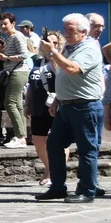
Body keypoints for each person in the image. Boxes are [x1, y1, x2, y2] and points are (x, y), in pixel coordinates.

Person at [37, 14, 104, 203]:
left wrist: (52, 52)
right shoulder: (69, 47)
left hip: (85, 106)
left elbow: (72, 69)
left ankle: (88, 190)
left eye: (71, 30)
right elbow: (62, 74)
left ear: (83, 32)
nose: (66, 33)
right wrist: (57, 98)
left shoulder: (89, 48)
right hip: (66, 105)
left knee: (86, 149)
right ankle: (58, 187)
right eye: (65, 29)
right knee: (54, 144)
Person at [27, 31, 64, 186]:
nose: (51, 44)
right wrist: (27, 104)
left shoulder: (60, 59)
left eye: (55, 42)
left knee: (58, 141)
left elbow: (62, 77)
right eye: (48, 42)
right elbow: (31, 84)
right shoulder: (37, 61)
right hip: (38, 106)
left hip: (56, 106)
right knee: (38, 141)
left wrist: (53, 54)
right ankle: (49, 168)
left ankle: (54, 173)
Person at [0, 13, 32, 148]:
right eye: (1, 24)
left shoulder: (17, 36)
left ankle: (20, 136)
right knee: (17, 104)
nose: (3, 26)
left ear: (13, 24)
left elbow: (24, 55)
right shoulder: (9, 38)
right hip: (14, 72)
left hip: (18, 72)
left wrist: (7, 58)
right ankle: (21, 136)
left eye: (5, 23)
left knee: (9, 103)